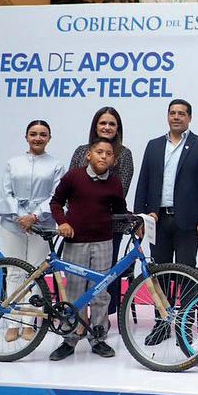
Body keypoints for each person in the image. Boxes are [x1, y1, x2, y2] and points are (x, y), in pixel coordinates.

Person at [134, 99, 198, 346]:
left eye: (182, 113)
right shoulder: (154, 145)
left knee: (186, 275)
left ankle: (185, 326)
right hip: (157, 220)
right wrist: (140, 217)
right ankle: (161, 324)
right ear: (167, 116)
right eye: (172, 113)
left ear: (189, 118)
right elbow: (143, 181)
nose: (176, 117)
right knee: (158, 274)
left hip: (188, 222)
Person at [49, 137, 128, 361]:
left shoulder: (115, 183)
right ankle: (69, 339)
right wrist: (62, 222)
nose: (104, 156)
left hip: (104, 242)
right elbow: (56, 202)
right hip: (76, 242)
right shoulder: (73, 177)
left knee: (100, 292)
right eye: (99, 152)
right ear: (89, 155)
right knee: (75, 291)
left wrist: (138, 220)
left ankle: (98, 338)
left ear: (114, 160)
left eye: (109, 154)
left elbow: (120, 210)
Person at [0, 120, 65, 343]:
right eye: (33, 134)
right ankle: (12, 323)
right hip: (12, 223)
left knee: (35, 274)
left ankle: (29, 323)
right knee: (14, 272)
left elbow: (56, 196)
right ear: (26, 137)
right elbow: (6, 193)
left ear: (49, 138)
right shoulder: (13, 163)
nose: (38, 138)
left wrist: (34, 217)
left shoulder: (56, 165)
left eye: (43, 134)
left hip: (42, 225)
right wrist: (20, 217)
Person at [69, 107, 133, 318]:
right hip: (79, 226)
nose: (107, 127)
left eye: (111, 124)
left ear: (118, 128)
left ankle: (100, 323)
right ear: (95, 126)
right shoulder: (81, 151)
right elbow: (70, 185)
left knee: (103, 278)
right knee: (77, 275)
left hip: (109, 226)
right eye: (102, 123)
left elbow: (120, 191)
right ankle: (78, 321)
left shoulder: (124, 154)